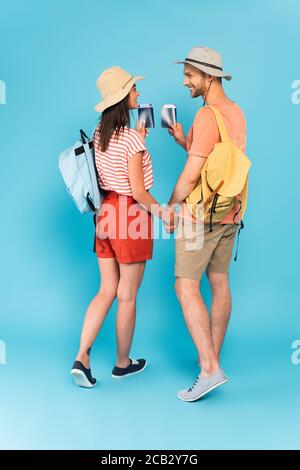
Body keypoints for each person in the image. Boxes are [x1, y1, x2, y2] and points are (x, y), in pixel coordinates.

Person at [71, 66, 176, 388]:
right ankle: (122, 363)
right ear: (122, 98)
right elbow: (139, 191)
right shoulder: (130, 138)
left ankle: (81, 358)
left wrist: (138, 142)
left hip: (105, 216)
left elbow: (115, 171)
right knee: (127, 296)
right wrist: (164, 214)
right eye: (134, 90)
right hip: (129, 216)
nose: (139, 94)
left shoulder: (100, 131)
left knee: (106, 291)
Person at [167, 46, 247, 402]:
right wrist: (187, 143)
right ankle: (213, 358)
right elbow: (219, 165)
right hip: (231, 212)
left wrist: (171, 207)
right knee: (219, 282)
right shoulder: (236, 112)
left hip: (200, 217)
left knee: (185, 287)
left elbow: (190, 179)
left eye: (189, 75)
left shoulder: (205, 117)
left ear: (209, 76)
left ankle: (209, 368)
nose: (185, 81)